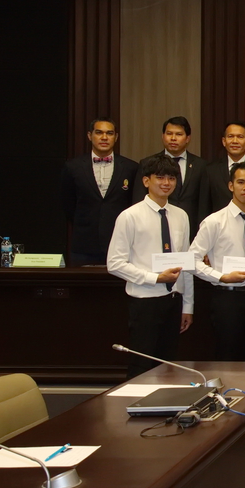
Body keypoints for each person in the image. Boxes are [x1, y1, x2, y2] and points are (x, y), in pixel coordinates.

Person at [191, 163, 245, 446]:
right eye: (241, 182)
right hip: (226, 298)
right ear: (230, 186)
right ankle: (225, 429)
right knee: (227, 364)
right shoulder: (214, 222)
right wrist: (220, 276)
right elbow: (192, 260)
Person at [107, 154, 194, 378]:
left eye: (171, 178)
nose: (166, 183)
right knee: (142, 367)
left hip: (173, 300)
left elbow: (186, 262)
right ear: (146, 181)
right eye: (160, 177)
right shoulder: (130, 216)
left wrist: (188, 305)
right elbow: (114, 263)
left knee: (168, 366)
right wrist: (155, 278)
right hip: (144, 301)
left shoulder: (181, 216)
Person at [60, 117, 139, 265]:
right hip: (84, 244)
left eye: (109, 133)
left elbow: (134, 204)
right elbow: (68, 204)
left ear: (116, 137)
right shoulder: (72, 167)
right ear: (90, 136)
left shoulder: (131, 168)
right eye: (99, 132)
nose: (104, 137)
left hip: (121, 243)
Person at [135, 116, 206, 241]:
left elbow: (204, 203)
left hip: (191, 230)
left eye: (179, 134)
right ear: (163, 136)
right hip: (154, 229)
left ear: (187, 138)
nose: (173, 138)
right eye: (169, 134)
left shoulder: (201, 165)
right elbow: (138, 199)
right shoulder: (147, 163)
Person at [200, 121, 245, 219]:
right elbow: (204, 208)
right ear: (224, 141)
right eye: (230, 136)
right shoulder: (210, 170)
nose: (235, 141)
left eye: (240, 137)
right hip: (219, 225)